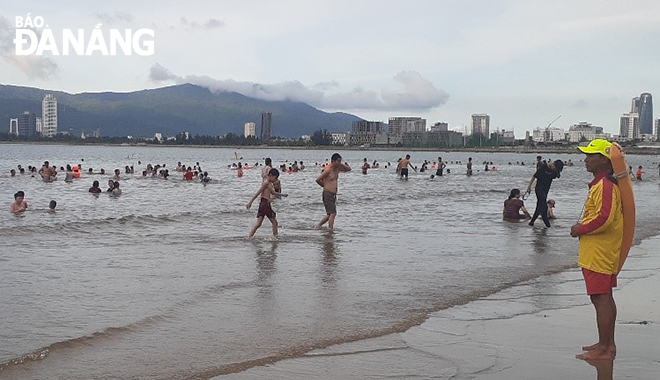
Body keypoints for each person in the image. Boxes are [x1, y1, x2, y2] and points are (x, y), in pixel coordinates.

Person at [570, 139, 623, 361]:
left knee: (600, 298)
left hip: (600, 252)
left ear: (603, 159)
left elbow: (605, 219)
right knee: (603, 298)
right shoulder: (602, 184)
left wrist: (579, 229)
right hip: (599, 250)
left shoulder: (606, 186)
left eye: (590, 155)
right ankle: (605, 343)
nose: (586, 159)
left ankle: (605, 348)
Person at [316, 153, 351, 231]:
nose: (339, 163)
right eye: (338, 161)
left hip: (332, 194)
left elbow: (348, 169)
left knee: (329, 214)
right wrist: (324, 186)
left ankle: (318, 226)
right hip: (327, 193)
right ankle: (330, 230)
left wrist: (341, 165)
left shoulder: (337, 169)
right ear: (333, 161)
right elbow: (317, 179)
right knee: (333, 213)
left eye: (340, 161)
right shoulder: (328, 170)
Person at [246, 168, 284, 238]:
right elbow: (258, 192)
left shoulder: (269, 183)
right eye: (275, 178)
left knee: (258, 224)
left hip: (263, 204)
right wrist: (250, 202)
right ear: (270, 175)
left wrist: (281, 195)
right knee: (274, 222)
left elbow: (272, 192)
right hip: (265, 204)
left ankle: (249, 237)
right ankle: (276, 238)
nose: (275, 180)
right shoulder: (266, 183)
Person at [526, 159, 564, 227]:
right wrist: (529, 187)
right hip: (539, 189)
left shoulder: (554, 171)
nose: (554, 169)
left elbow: (557, 176)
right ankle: (547, 225)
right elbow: (534, 176)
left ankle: (531, 223)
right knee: (544, 206)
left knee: (539, 206)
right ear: (553, 164)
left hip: (546, 190)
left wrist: (555, 171)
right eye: (554, 167)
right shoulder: (543, 167)